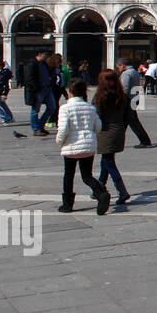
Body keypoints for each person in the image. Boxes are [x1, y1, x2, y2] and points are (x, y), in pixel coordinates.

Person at [55, 78, 108, 214]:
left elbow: (63, 129)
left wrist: (59, 141)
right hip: (88, 146)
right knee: (87, 175)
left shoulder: (65, 108)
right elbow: (99, 126)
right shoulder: (90, 108)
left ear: (69, 91)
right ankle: (101, 193)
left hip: (71, 146)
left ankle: (67, 204)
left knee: (69, 175)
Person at [92, 69, 135, 206]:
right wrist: (122, 128)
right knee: (106, 160)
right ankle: (99, 187)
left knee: (109, 162)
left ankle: (122, 191)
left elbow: (96, 116)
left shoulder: (100, 97)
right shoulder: (123, 96)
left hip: (105, 132)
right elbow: (128, 116)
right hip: (118, 130)